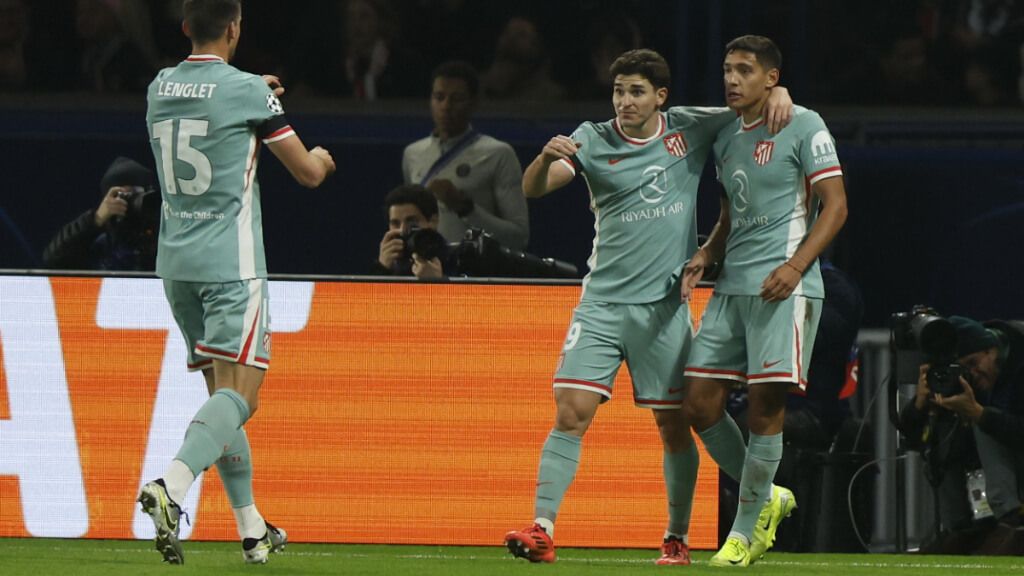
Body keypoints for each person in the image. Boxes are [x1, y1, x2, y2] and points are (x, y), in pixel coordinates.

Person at [503, 48, 794, 565]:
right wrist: (546, 158)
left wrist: (779, 92)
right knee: (571, 412)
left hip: (662, 309)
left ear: (660, 96)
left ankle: (682, 535)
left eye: (636, 91)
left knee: (678, 423)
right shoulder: (592, 138)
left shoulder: (689, 129)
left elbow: (749, 105)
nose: (624, 101)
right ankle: (543, 526)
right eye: (618, 90)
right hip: (602, 304)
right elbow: (535, 189)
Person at [137, 0, 335, 565]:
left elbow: (209, 100)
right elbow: (307, 173)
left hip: (177, 267)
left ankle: (251, 529)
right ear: (234, 29)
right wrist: (321, 156)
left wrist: (256, 91)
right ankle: (170, 486)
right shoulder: (249, 91)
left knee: (219, 400)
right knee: (240, 398)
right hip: (232, 266)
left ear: (184, 29)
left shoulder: (158, 87)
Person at [682, 35, 849, 567]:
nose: (732, 79)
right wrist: (708, 251)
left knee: (763, 409)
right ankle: (768, 495)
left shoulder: (804, 122)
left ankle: (746, 530)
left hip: (785, 287)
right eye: (728, 70)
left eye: (745, 71)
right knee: (699, 403)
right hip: (732, 287)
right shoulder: (726, 134)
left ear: (771, 78)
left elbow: (837, 206)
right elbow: (733, 211)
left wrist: (797, 265)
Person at [900, 315, 1024, 556]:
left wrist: (979, 414)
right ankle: (960, 527)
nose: (972, 373)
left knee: (984, 419)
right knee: (948, 426)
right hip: (985, 495)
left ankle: (1013, 521)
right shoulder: (965, 383)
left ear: (992, 350)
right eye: (962, 368)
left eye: (974, 362)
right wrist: (920, 405)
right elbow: (913, 440)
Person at [402, 60, 529, 250]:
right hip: (426, 271)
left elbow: (518, 237)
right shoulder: (413, 154)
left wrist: (466, 208)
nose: (446, 106)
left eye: (457, 98)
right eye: (439, 97)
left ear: (474, 103)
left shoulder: (498, 154)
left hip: (475, 275)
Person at [43, 156, 160, 271]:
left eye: (137, 193)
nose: (132, 201)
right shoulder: (99, 239)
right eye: (124, 195)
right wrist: (96, 219)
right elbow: (53, 260)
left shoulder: (160, 233)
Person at [373, 183, 449, 279]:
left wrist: (437, 283)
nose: (402, 230)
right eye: (395, 223)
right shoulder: (389, 267)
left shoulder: (456, 261)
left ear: (433, 221)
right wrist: (381, 269)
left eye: (412, 222)